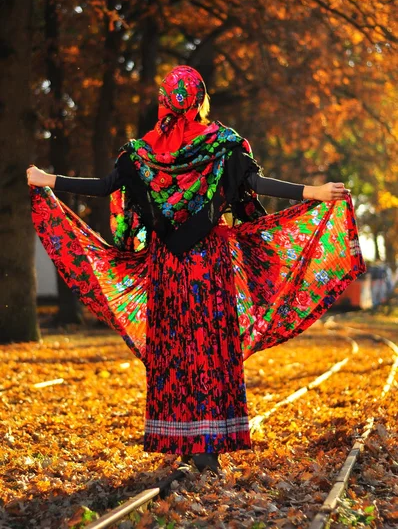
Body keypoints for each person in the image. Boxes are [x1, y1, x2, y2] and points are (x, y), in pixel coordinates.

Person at [27, 65, 366, 473]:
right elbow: (255, 184)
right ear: (201, 97)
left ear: (165, 101)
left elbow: (103, 187)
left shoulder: (141, 153)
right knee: (211, 347)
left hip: (167, 268)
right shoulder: (221, 144)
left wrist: (49, 179)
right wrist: (314, 192)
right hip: (209, 263)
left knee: (173, 350)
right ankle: (209, 447)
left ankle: (182, 439)